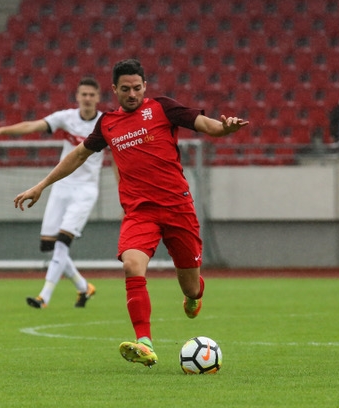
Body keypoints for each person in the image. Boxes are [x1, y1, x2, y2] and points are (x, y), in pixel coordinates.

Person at [13, 59, 249, 368]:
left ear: (145, 86)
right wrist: (41, 185)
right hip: (140, 212)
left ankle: (194, 296)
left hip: (178, 208)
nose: (132, 94)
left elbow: (206, 125)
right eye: (125, 89)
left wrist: (224, 128)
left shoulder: (163, 108)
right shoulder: (108, 124)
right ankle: (144, 342)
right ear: (114, 89)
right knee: (131, 265)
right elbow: (78, 155)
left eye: (137, 88)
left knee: (191, 287)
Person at [0, 77, 104, 309]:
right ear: (77, 96)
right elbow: (32, 126)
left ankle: (44, 296)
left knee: (62, 242)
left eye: (91, 95)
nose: (87, 98)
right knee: (48, 245)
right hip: (62, 186)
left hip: (86, 190)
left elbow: (117, 159)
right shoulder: (66, 118)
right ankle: (83, 286)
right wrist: (2, 130)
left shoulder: (105, 123)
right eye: (83, 94)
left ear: (98, 97)